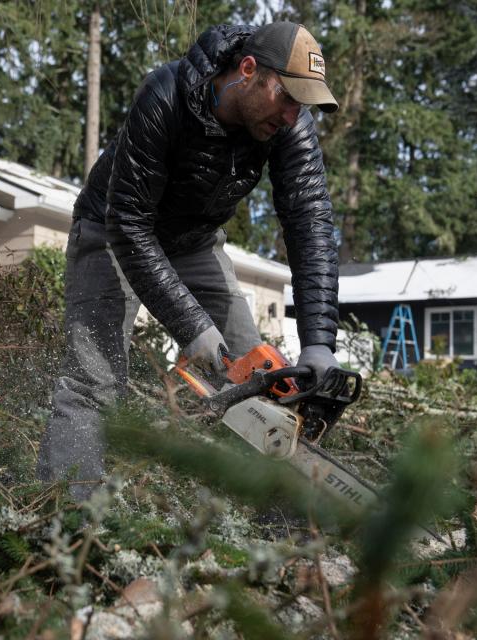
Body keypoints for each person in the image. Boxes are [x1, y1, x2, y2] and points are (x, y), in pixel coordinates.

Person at [37, 22, 341, 500]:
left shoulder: (289, 126)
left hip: (196, 241)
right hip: (114, 230)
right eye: (286, 98)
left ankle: (256, 523)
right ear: (248, 71)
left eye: (300, 104)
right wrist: (191, 325)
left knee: (255, 381)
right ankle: (66, 518)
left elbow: (311, 225)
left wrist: (320, 342)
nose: (290, 116)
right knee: (92, 382)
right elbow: (130, 225)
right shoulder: (165, 96)